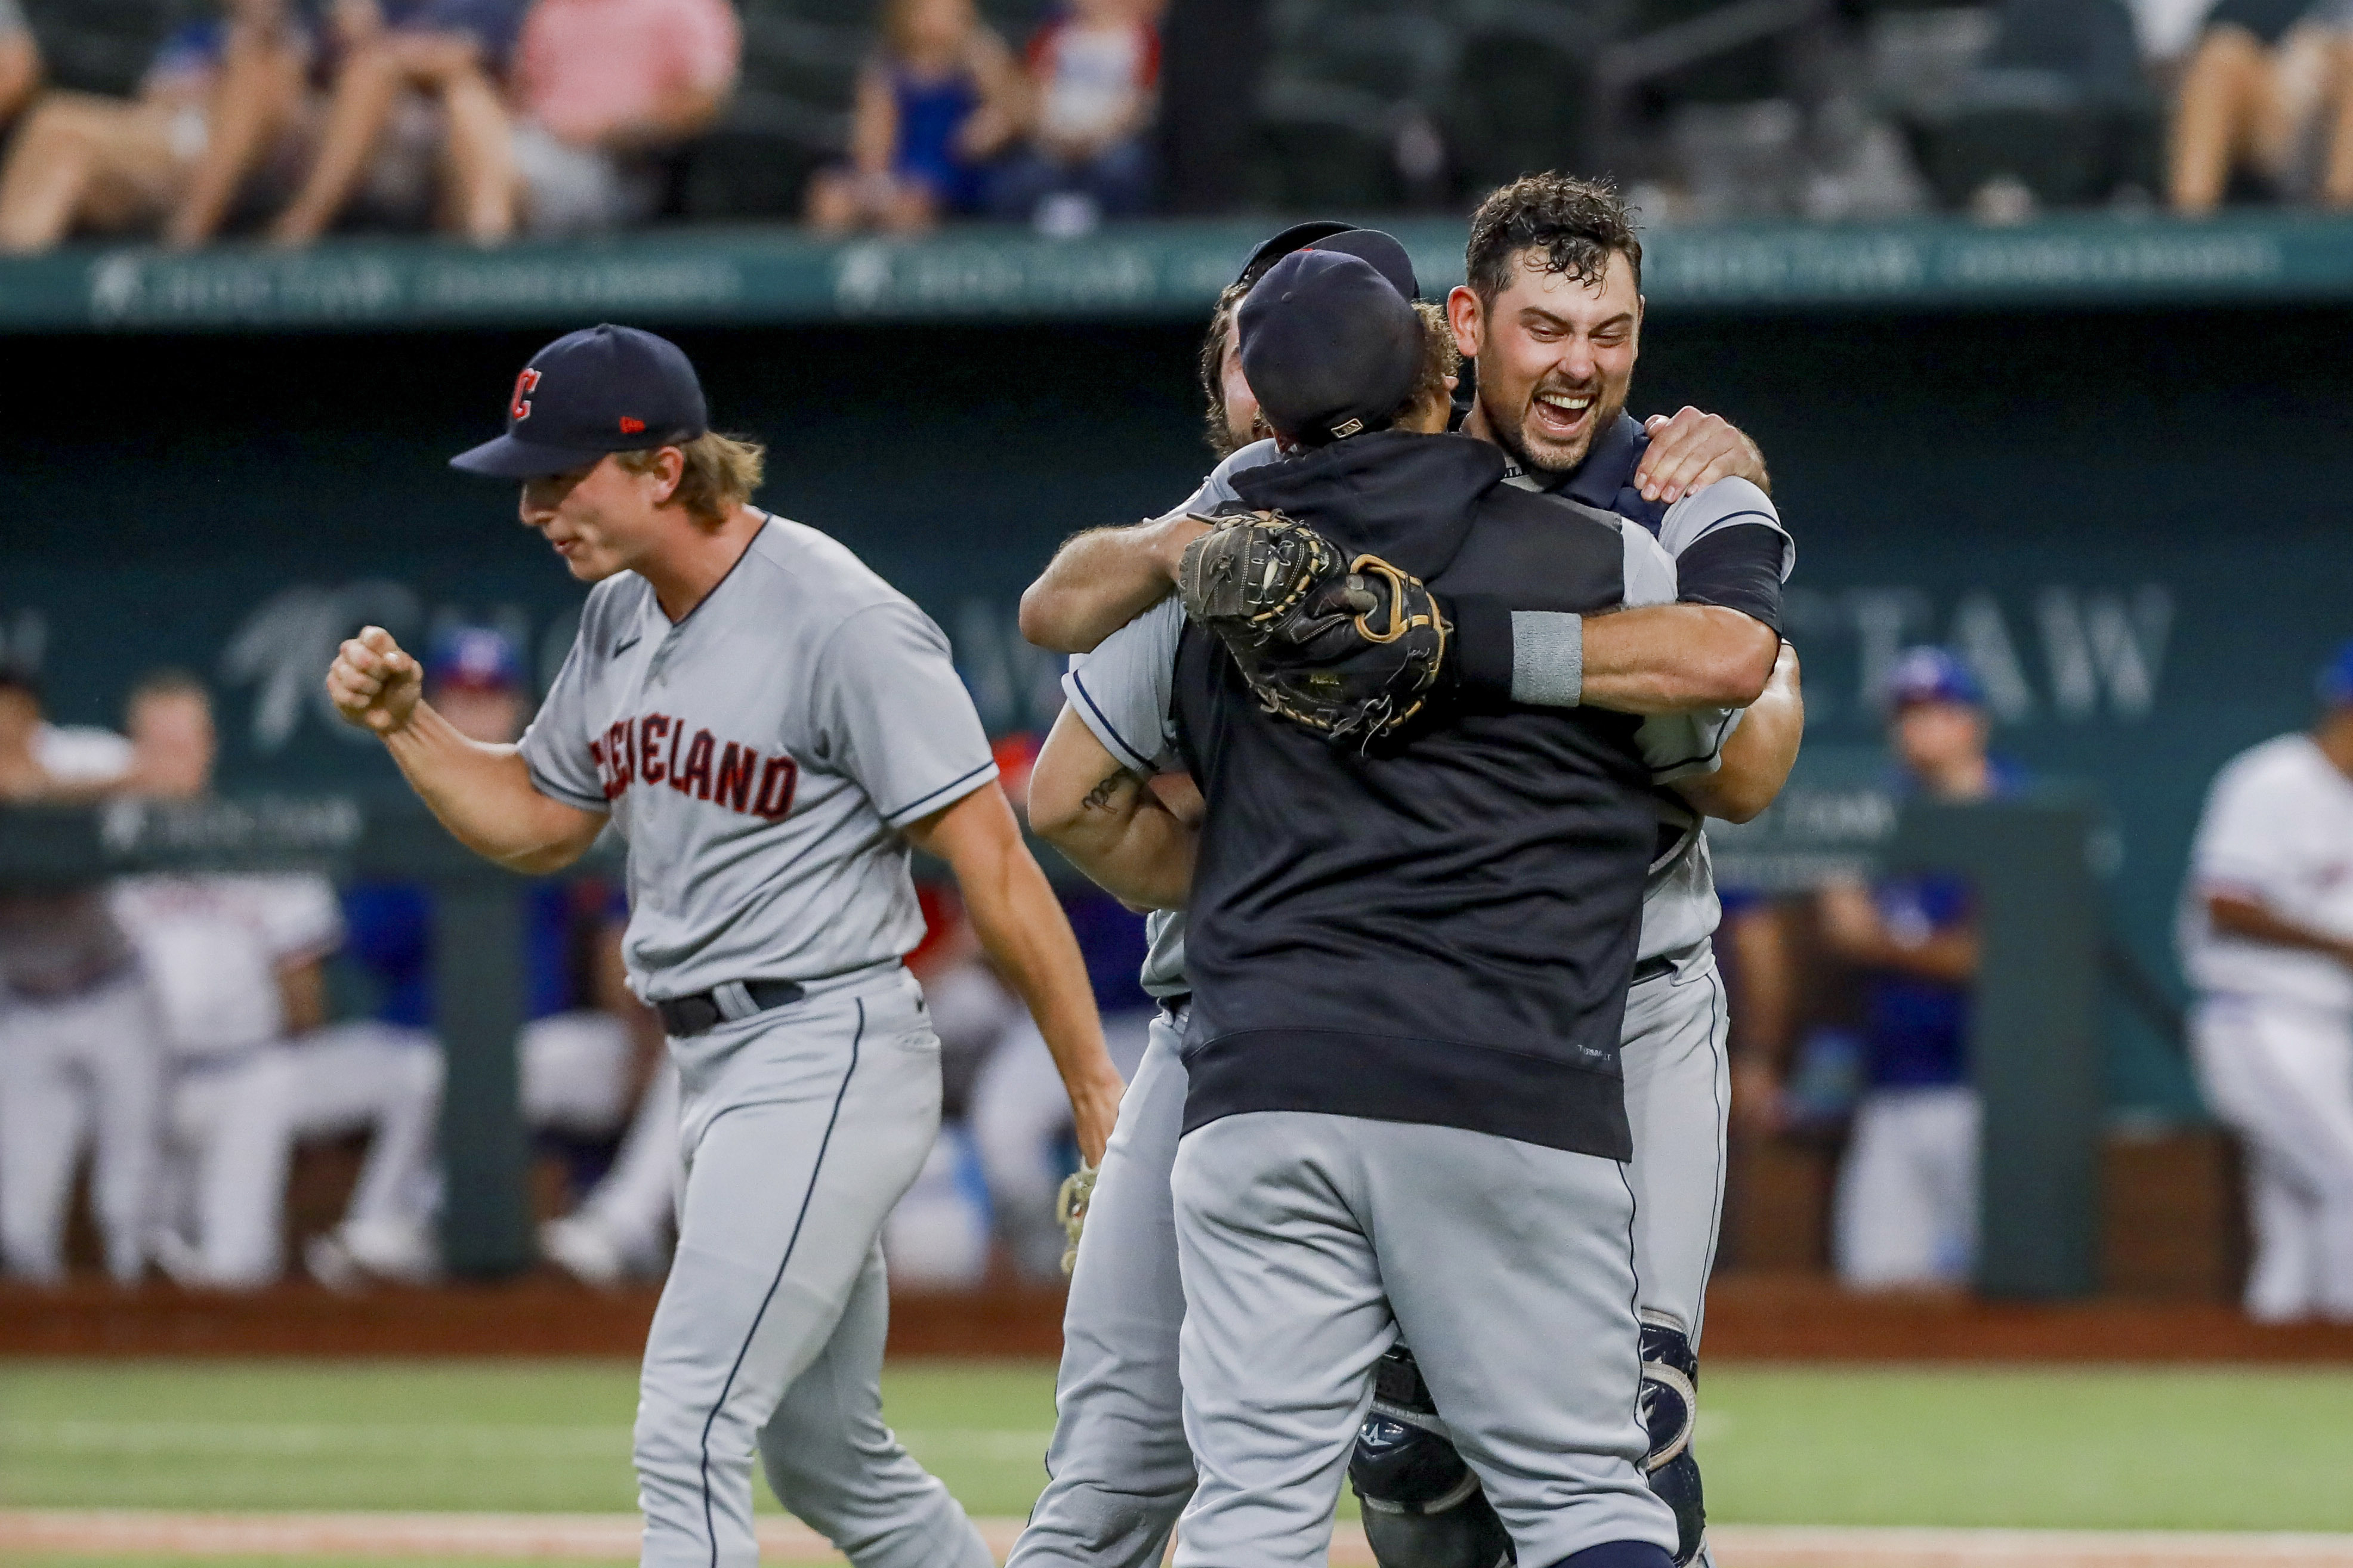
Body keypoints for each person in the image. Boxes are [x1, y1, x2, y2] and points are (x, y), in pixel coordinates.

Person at [1013, 190, 1799, 1568]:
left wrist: (1454, 650)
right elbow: (1060, 645)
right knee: (1412, 1476)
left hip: (1612, 997)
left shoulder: (1668, 480)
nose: (1577, 360)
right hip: (1358, 1022)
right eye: (1543, 326)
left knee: (1624, 1425)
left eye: (1606, 330)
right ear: (1455, 342)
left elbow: (1744, 746)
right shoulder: (1250, 512)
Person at [323, 322, 1122, 1568]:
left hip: (826, 1049)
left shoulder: (840, 618)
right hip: (718, 1069)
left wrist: (1090, 1089)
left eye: (560, 474)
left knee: (688, 1421)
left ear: (662, 468)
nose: (534, 506)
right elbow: (538, 821)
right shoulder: (619, 620)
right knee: (827, 1461)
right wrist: (411, 727)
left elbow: (998, 866)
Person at [323, 626, 669, 1288]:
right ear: (437, 703)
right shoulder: (407, 814)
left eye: (492, 695)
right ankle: (387, 1231)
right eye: (463, 695)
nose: (478, 710)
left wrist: (638, 1028)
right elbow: (372, 947)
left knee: (511, 1064)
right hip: (427, 1041)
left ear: (517, 706)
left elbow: (611, 936)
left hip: (567, 1042)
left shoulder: (566, 799)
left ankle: (421, 1226)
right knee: (441, 1070)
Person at [1814, 647, 2019, 1291]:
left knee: (2005, 1294)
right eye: (1907, 713)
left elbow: (2001, 957)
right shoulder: (1873, 812)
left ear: (1973, 723)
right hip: (1890, 1087)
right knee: (1877, 1286)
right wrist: (1932, 949)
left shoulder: (2019, 811)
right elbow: (1837, 928)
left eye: (1938, 711)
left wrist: (1885, 944)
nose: (1920, 728)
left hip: (1995, 1092)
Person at [2176, 639, 2353, 1323]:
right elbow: (2223, 897)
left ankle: (2273, 1352)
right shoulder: (2274, 777)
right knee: (2344, 1176)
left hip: (2318, 1023)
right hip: (2256, 1013)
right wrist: (2336, 944)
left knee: (2296, 1212)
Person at [0, 669, 157, 1286]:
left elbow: (165, 778)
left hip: (114, 989)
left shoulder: (78, 753)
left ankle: (148, 1349)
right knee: (19, 1219)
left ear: (33, 718)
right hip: (26, 1004)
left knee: (129, 1201)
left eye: (12, 715)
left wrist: (40, 792)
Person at [0, 0, 313, 252]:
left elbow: (271, 50)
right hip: (167, 126)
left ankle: (178, 251)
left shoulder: (284, 41)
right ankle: (17, 294)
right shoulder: (189, 25)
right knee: (54, 123)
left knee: (63, 135)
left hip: (239, 139)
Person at [265, 0, 525, 245]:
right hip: (347, 118)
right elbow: (318, 51)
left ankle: (301, 227)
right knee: (262, 73)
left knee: (460, 96)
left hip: (448, 119)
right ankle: (288, 235)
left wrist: (387, 53)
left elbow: (463, 57)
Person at [496, 0, 740, 239]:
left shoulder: (686, 5)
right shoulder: (554, 7)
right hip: (533, 142)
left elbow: (703, 103)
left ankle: (483, 260)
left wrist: (607, 129)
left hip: (619, 165)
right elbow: (520, 92)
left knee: (494, 172)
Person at [805, 0, 1024, 235]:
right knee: (831, 197)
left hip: (953, 173)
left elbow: (1013, 113)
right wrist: (877, 182)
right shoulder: (888, 72)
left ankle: (898, 268)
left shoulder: (979, 63)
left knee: (910, 206)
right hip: (901, 171)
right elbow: (873, 141)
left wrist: (988, 128)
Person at [2167, 0, 2353, 212]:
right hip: (2287, 102)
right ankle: (2190, 227)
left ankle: (2341, 229)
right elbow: (2224, 24)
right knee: (2221, 58)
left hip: (2341, 108)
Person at [987, 0, 1158, 230]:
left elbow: (1139, 103)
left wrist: (1094, 138)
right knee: (1018, 181)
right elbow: (1035, 92)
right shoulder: (1054, 34)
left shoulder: (1141, 38)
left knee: (1124, 169)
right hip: (1054, 142)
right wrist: (1054, 137)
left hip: (1110, 142)